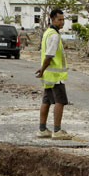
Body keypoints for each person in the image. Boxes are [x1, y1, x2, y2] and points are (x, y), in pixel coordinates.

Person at [35, 9, 72, 140]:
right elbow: (49, 55)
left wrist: (43, 70)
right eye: (59, 19)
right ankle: (57, 130)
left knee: (46, 101)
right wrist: (42, 69)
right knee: (60, 101)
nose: (62, 22)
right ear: (52, 19)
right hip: (56, 77)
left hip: (49, 76)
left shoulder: (47, 33)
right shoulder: (54, 35)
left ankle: (42, 129)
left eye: (63, 19)